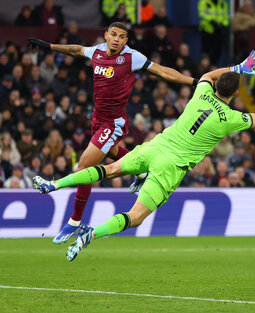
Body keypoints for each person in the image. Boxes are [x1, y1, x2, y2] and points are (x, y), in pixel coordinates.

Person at [33, 52, 255, 261]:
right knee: (134, 217)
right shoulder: (230, 119)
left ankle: (54, 184)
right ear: (235, 94)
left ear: (216, 87)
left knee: (108, 170)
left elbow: (205, 75)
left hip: (155, 146)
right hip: (170, 166)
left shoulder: (201, 93)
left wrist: (240, 66)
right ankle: (93, 234)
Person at [27, 22, 198, 245]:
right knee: (113, 151)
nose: (117, 39)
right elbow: (76, 50)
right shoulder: (96, 51)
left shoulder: (131, 57)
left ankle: (75, 221)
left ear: (126, 40)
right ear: (106, 35)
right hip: (97, 120)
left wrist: (195, 81)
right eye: (114, 34)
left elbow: (163, 71)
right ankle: (140, 174)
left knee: (85, 166)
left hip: (113, 122)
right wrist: (49, 46)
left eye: (122, 36)